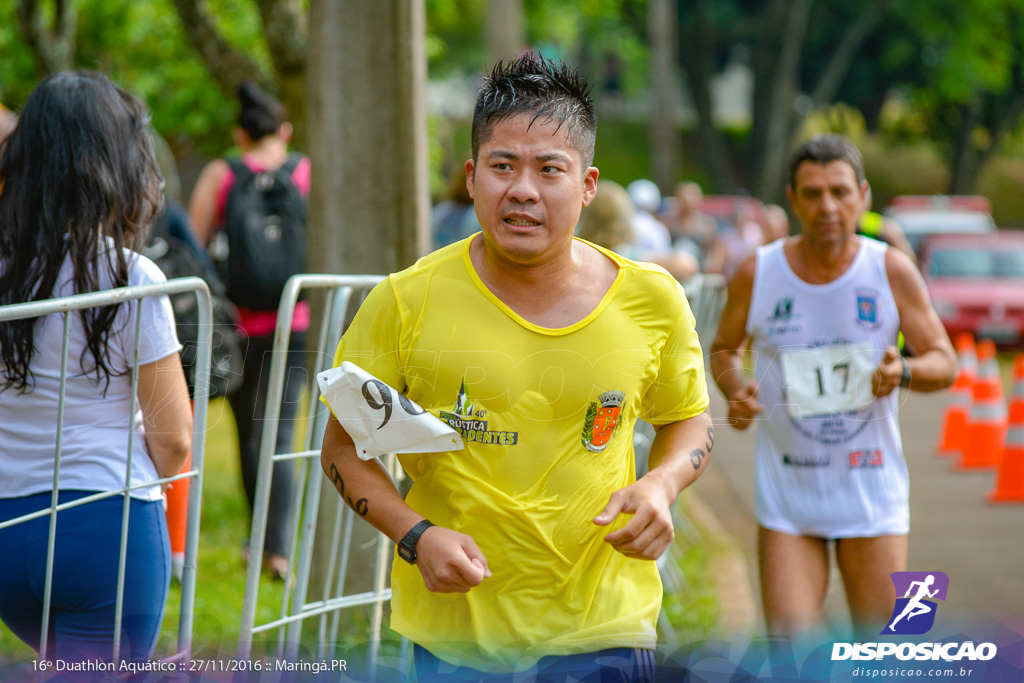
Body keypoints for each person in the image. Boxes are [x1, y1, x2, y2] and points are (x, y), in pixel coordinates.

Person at [320, 54, 713, 680]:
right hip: (455, 639)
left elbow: (688, 421)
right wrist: (415, 535)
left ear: (586, 185)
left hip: (604, 629)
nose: (522, 189)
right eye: (503, 166)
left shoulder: (651, 299)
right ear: (473, 178)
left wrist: (662, 485)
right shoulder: (404, 300)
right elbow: (343, 449)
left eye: (549, 169)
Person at [709, 133, 957, 637]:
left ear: (862, 197)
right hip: (789, 497)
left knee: (889, 651)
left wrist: (902, 372)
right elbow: (722, 349)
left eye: (840, 192)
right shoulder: (759, 271)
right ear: (793, 199)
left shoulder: (890, 269)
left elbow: (945, 361)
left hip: (872, 494)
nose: (827, 206)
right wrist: (737, 390)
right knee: (792, 653)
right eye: (814, 193)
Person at [0, 72, 192, 662]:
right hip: (105, 523)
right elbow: (174, 439)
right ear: (115, 163)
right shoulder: (133, 278)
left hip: (7, 530)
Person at [188, 81, 309, 579]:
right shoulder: (307, 172)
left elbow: (194, 244)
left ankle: (261, 542)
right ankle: (276, 548)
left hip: (237, 325)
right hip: (295, 322)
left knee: (249, 435)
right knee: (279, 433)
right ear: (284, 130)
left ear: (240, 134)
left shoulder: (221, 173)